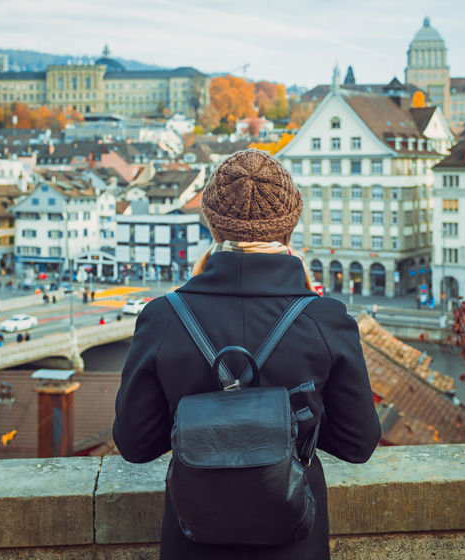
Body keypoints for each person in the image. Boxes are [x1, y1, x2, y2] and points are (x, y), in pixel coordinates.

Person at [113, 149, 380, 560]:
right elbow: (358, 444)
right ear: (290, 227)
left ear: (212, 225)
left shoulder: (162, 317)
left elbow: (135, 444)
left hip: (193, 543)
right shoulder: (326, 320)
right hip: (294, 545)